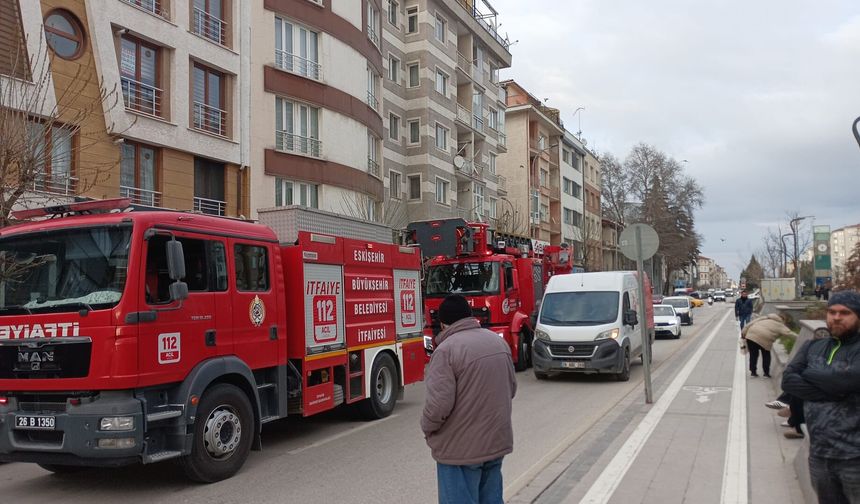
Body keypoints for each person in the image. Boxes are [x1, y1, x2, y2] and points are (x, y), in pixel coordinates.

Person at [422, 294, 517, 504]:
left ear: (444, 323)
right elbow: (511, 388)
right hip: (495, 443)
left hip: (459, 451)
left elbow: (438, 406)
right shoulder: (498, 343)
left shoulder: (446, 351)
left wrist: (427, 428)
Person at [782, 290, 860, 503]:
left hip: (854, 457)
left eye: (845, 313)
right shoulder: (813, 346)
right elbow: (788, 380)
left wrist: (808, 374)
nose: (836, 317)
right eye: (832, 312)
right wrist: (835, 392)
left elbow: (846, 381)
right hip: (820, 454)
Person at [742, 313, 794, 378]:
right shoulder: (780, 324)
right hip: (764, 338)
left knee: (753, 355)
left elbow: (750, 324)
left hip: (751, 335)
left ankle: (753, 372)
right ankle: (766, 374)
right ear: (783, 319)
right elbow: (789, 333)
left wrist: (743, 333)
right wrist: (801, 337)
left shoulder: (764, 318)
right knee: (766, 354)